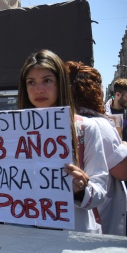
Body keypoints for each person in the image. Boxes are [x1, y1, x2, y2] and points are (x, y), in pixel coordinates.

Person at [18, 49, 108, 233]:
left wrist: (81, 189)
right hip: (25, 233)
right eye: (31, 82)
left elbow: (100, 191)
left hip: (74, 234)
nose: (39, 89)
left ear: (61, 85)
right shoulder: (11, 134)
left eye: (47, 80)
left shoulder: (85, 129)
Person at [66, 61, 127, 236]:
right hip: (98, 213)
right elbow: (122, 171)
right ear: (92, 90)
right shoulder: (98, 124)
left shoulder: (65, 122)